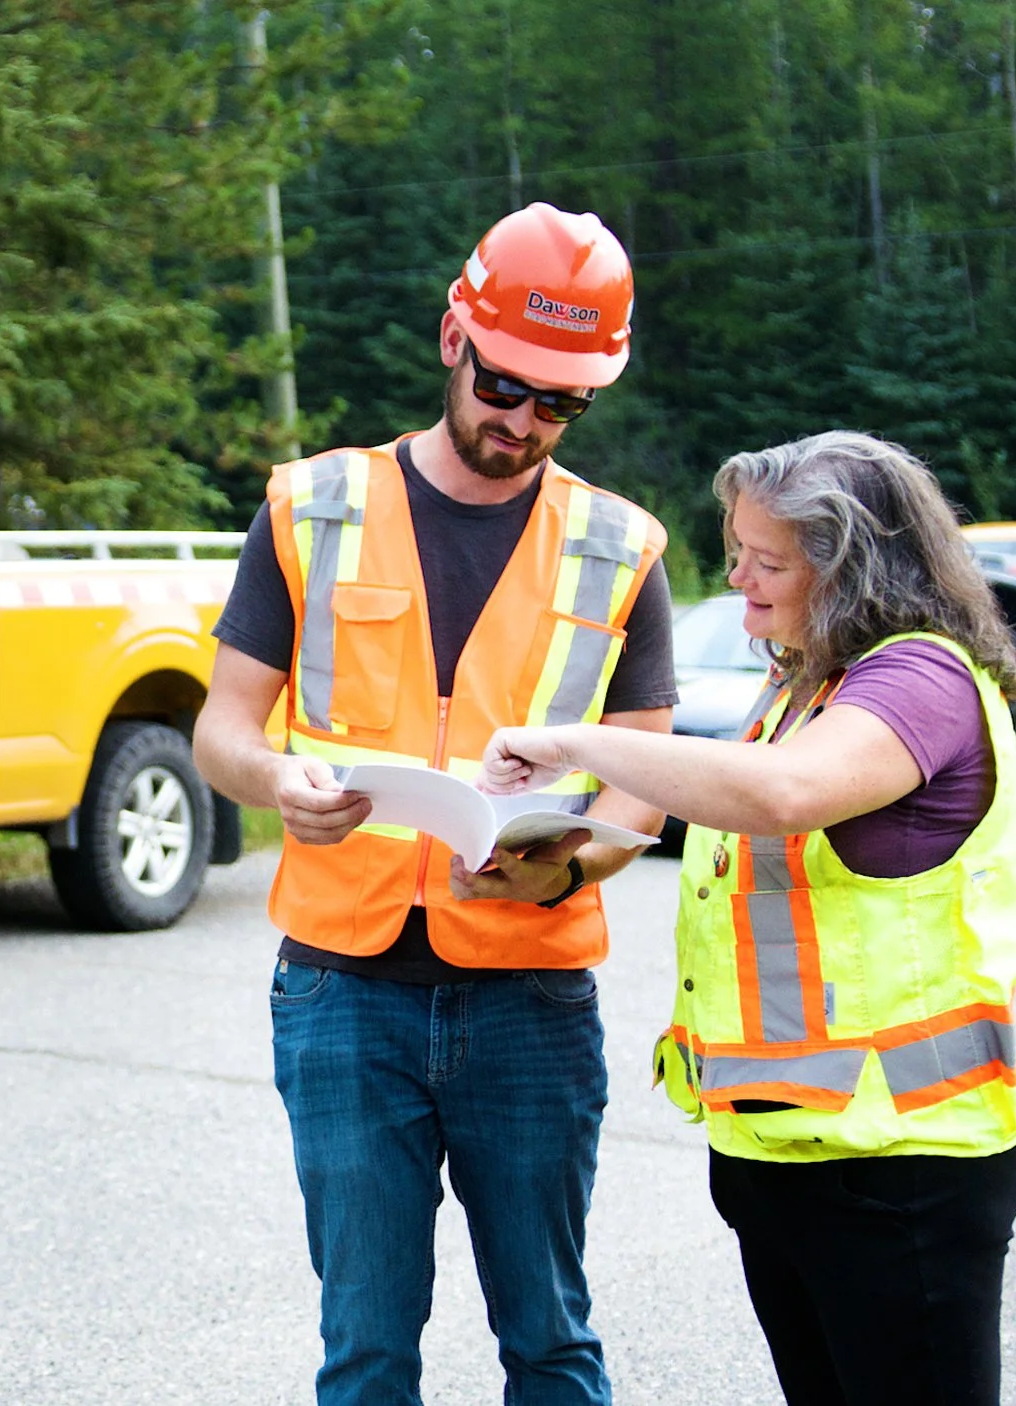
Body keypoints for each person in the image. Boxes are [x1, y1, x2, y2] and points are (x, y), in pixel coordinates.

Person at [193, 203, 680, 1406]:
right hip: (342, 991)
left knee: (551, 1339)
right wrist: (274, 784)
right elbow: (221, 725)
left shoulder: (621, 548)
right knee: (364, 1350)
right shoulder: (312, 507)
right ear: (452, 337)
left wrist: (565, 866)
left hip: (530, 991)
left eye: (559, 403)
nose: (522, 422)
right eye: (507, 385)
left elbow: (644, 775)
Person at [478, 431, 1016, 1406]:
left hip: (899, 1167)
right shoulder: (806, 689)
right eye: (734, 547)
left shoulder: (923, 678)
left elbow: (782, 796)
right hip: (785, 1154)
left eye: (763, 558)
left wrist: (575, 742)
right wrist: (561, 854)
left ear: (852, 562)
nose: (734, 574)